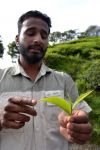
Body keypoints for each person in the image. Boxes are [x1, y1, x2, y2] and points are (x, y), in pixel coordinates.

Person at [0, 10, 92, 150]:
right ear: (17, 39)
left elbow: (81, 116)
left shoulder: (64, 80)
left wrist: (78, 127)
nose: (38, 39)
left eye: (44, 35)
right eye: (30, 33)